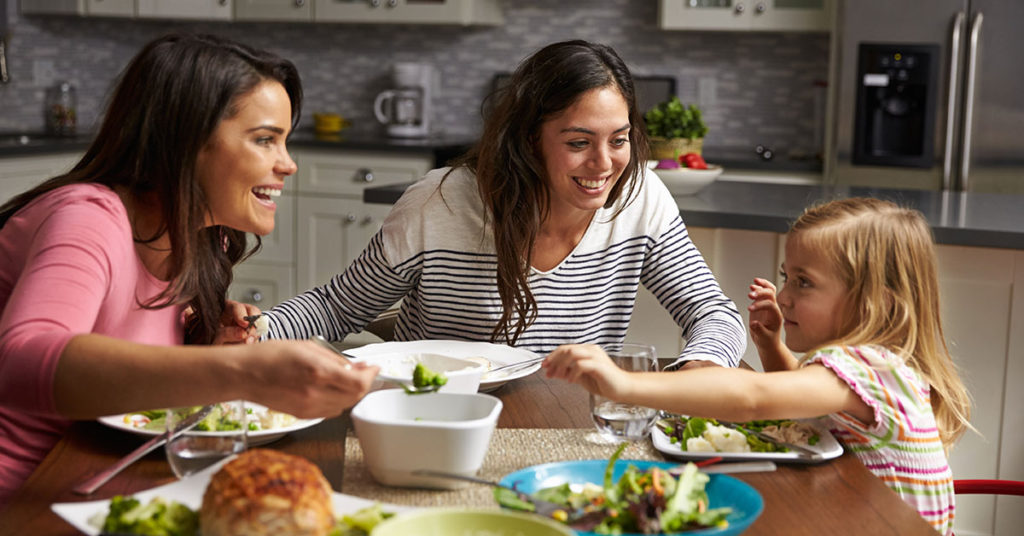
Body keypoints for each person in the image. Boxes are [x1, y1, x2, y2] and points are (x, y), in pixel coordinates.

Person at [0, 33, 378, 506]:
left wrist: (200, 334)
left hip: (113, 474)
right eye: (265, 140)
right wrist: (239, 370)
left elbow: (127, 340)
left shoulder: (203, 232)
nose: (289, 165)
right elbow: (21, 359)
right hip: (27, 494)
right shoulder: (88, 217)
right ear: (186, 142)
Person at [263, 39, 745, 369]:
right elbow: (333, 309)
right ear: (528, 140)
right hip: (437, 414)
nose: (604, 163)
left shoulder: (641, 197)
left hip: (571, 423)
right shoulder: (439, 204)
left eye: (619, 139)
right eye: (579, 142)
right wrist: (252, 332)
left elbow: (713, 313)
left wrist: (699, 365)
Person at [543, 197, 973, 535]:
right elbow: (801, 399)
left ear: (875, 302)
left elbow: (754, 399)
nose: (784, 297)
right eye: (787, 277)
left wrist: (623, 385)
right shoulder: (870, 363)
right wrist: (770, 346)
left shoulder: (871, 367)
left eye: (804, 283)